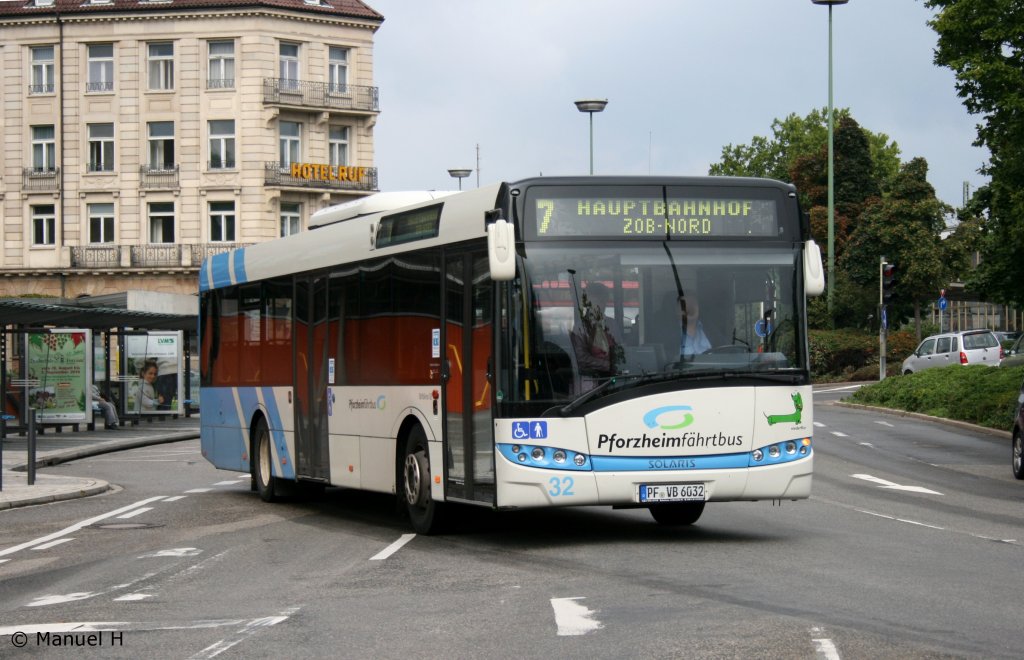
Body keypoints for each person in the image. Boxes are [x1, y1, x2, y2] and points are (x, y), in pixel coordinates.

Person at [570, 282, 624, 376]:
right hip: (589, 379)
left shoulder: (612, 324)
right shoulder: (580, 327)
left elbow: (620, 349)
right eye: (597, 301)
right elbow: (581, 358)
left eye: (604, 301)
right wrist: (607, 365)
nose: (601, 305)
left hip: (614, 375)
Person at [678, 293, 712, 357]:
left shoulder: (712, 330)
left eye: (692, 304)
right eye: (684, 304)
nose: (690, 308)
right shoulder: (668, 336)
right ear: (676, 311)